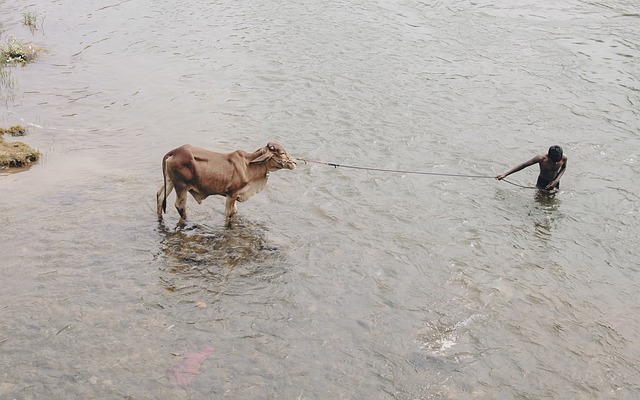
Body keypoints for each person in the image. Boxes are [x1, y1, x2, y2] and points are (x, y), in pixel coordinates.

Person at [495, 145, 567, 191]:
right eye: (553, 161)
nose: (556, 163)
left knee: (552, 202)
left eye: (558, 161)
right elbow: (523, 165)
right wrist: (505, 174)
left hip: (555, 182)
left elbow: (563, 168)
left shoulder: (564, 158)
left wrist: (556, 180)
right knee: (540, 202)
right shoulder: (541, 158)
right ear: (549, 157)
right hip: (542, 181)